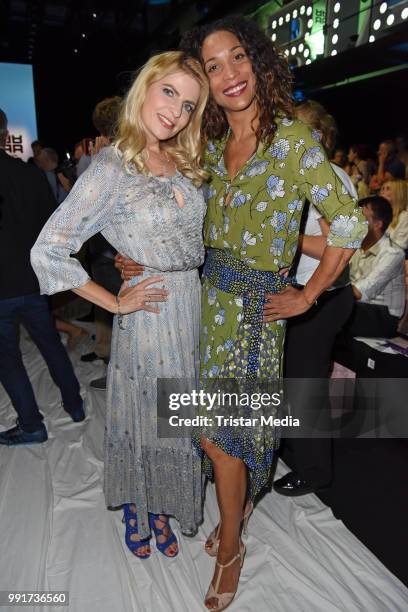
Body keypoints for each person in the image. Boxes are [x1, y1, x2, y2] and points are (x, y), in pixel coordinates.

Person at [121, 17, 367, 610]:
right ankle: (242, 507)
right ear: (202, 80)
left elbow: (352, 221)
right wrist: (137, 259)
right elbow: (169, 215)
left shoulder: (291, 141)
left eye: (238, 58)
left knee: (219, 440)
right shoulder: (203, 145)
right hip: (203, 304)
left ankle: (230, 546)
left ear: (257, 63)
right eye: (213, 65)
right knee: (216, 435)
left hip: (256, 316)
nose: (229, 74)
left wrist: (308, 296)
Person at [31, 52, 209, 560]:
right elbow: (49, 248)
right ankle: (138, 501)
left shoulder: (187, 162)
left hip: (190, 305)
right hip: (149, 311)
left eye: (189, 105)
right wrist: (112, 298)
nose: (176, 112)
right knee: (147, 413)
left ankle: (162, 504)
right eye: (169, 93)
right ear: (146, 88)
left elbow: (192, 239)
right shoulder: (112, 166)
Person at [273, 100, 357, 498]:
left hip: (321, 296)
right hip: (314, 293)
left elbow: (335, 246)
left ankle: (315, 470)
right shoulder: (309, 174)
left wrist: (285, 241)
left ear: (316, 137)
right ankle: (298, 448)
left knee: (305, 386)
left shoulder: (330, 178)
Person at [0, 108, 84, 447]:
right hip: (33, 278)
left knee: (8, 359)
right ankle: (75, 405)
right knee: (50, 344)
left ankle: (32, 425)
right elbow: (50, 226)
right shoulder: (30, 174)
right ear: (5, 135)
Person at [80, 96, 124, 390]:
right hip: (112, 251)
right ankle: (110, 363)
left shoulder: (109, 158)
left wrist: (96, 164)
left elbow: (87, 206)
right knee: (111, 312)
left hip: (113, 251)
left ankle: (116, 374)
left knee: (117, 314)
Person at [339, 196, 405, 342]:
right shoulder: (357, 245)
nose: (354, 222)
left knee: (332, 308)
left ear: (377, 224)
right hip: (359, 307)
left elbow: (360, 292)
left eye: (361, 217)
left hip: (384, 317)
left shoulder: (393, 254)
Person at [380, 179, 408, 250]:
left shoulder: (405, 217)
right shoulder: (381, 215)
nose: (382, 192)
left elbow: (400, 246)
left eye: (388, 189)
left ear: (399, 193)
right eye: (382, 188)